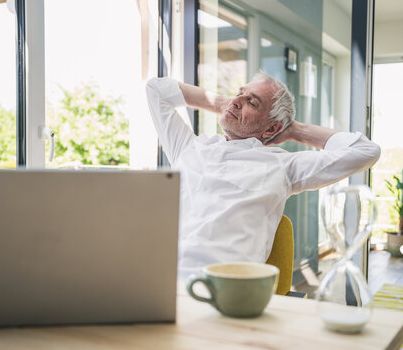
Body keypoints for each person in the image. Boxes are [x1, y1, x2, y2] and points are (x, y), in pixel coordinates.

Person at [146, 73, 380, 278]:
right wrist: (223, 103)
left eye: (252, 102)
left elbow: (366, 151)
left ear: (271, 129)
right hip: (159, 278)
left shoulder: (282, 166)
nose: (237, 101)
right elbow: (155, 89)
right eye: (239, 93)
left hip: (226, 289)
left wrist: (295, 130)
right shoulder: (189, 147)